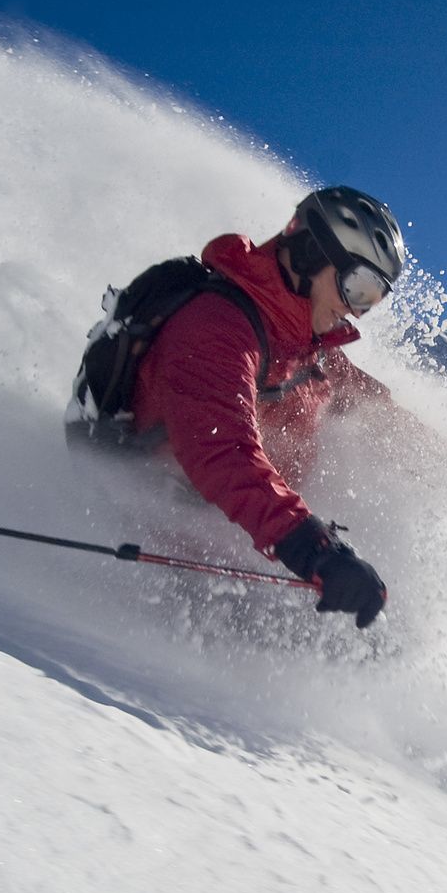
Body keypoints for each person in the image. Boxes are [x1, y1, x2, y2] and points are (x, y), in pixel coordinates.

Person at [77, 186, 403, 628]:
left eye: (373, 298)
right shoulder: (215, 328)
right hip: (168, 555)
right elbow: (222, 452)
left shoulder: (309, 348)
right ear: (309, 253)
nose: (357, 311)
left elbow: (377, 415)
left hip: (255, 546)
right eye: (357, 287)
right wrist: (315, 550)